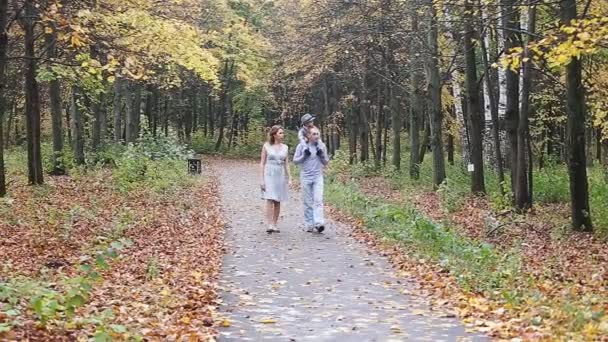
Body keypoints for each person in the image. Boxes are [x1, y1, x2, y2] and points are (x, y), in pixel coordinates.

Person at [293, 127, 329, 233]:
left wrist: (321, 155)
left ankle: (319, 223)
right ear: (308, 136)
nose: (316, 136)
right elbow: (295, 161)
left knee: (318, 200)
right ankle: (309, 223)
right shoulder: (301, 146)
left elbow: (326, 162)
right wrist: (304, 156)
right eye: (314, 134)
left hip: (318, 176)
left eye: (317, 134)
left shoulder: (321, 146)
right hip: (305, 176)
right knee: (308, 202)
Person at [260, 125, 292, 233]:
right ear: (274, 134)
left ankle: (274, 224)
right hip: (269, 173)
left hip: (280, 174)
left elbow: (286, 164)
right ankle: (269, 224)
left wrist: (290, 178)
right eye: (280, 133)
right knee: (269, 198)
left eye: (283, 133)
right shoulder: (266, 146)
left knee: (278, 199)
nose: (282, 135)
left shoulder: (285, 147)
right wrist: (262, 179)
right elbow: (262, 163)